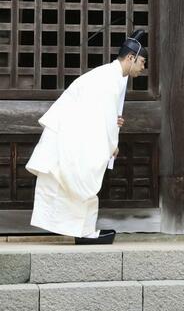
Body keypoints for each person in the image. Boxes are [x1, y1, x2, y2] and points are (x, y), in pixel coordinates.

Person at [26, 30, 148, 245]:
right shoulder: (108, 80)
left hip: (76, 134)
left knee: (79, 182)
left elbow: (102, 114)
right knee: (79, 181)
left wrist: (113, 122)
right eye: (142, 62)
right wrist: (112, 145)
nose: (143, 67)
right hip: (72, 136)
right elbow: (101, 115)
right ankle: (83, 231)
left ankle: (83, 230)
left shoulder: (109, 76)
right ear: (131, 57)